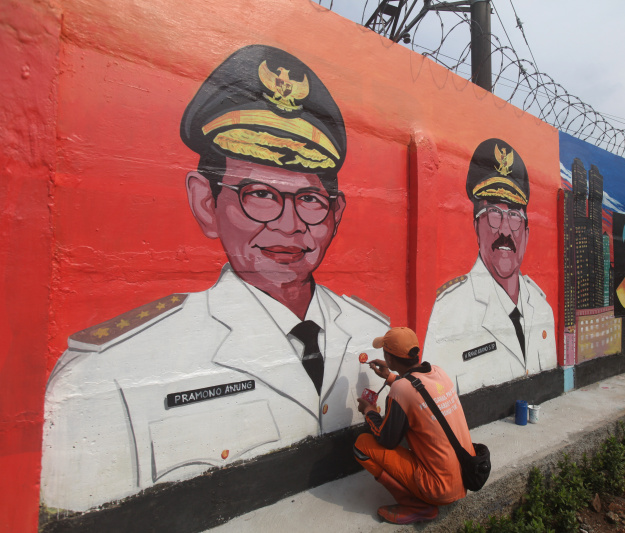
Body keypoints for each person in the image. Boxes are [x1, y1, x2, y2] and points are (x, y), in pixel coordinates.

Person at [40, 45, 389, 513]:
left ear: (336, 214)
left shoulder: (375, 330)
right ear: (207, 202)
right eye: (260, 194)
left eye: (309, 200)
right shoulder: (112, 375)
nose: (289, 224)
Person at [423, 138, 557, 394]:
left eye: (515, 216)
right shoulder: (448, 311)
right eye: (494, 213)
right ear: (477, 227)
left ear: (526, 234)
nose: (505, 229)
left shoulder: (542, 307)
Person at [354, 327, 475, 524]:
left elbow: (387, 439)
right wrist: (391, 377)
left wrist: (369, 411)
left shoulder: (401, 390)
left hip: (439, 489)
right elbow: (419, 389)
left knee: (362, 445)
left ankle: (418, 506)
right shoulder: (438, 372)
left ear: (390, 359)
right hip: (465, 476)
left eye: (385, 352)